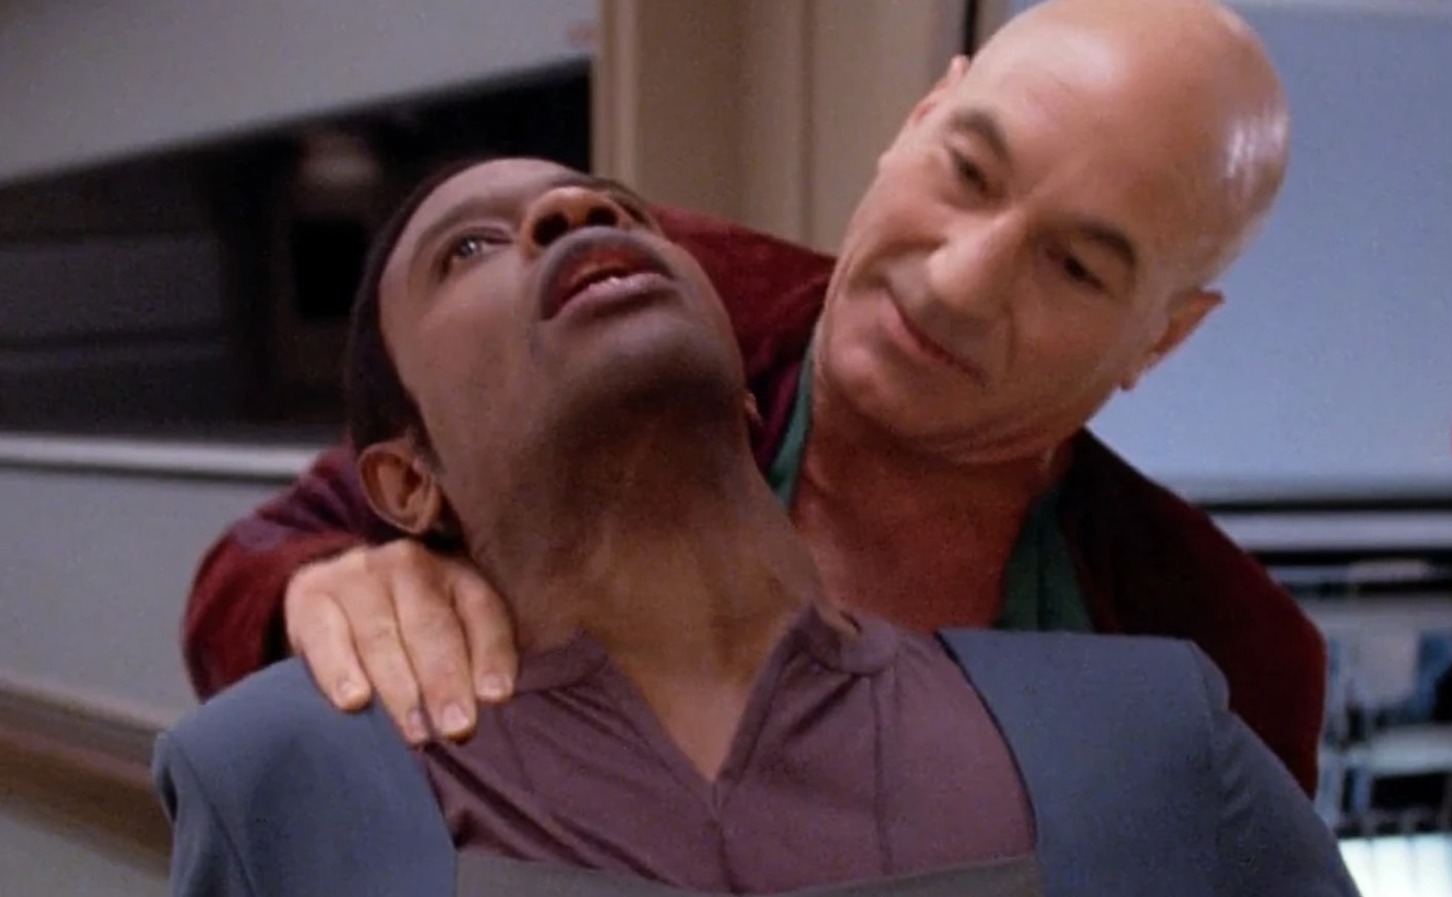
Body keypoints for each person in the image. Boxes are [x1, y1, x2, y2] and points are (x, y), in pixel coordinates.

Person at [182, 0, 1328, 792]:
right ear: (918, 121)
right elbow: (262, 561)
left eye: (1075, 267)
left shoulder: (1219, 657)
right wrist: (326, 589)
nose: (956, 283)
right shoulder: (640, 310)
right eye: (968, 172)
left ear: (1161, 338)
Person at [155, 156, 1358, 897]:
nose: (574, 208)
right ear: (408, 485)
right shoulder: (281, 780)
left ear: (745, 386)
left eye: (618, 207)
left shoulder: (1151, 737)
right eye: (466, 249)